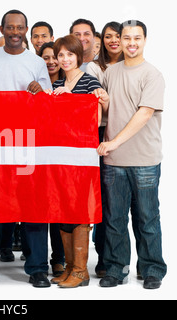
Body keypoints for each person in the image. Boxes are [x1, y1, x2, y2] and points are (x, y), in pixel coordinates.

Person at [0, 9, 53, 288]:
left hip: (28, 144)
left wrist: (40, 94)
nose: (15, 32)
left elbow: (48, 107)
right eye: (10, 27)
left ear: (25, 30)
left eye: (20, 28)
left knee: (33, 208)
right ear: (2, 29)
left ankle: (38, 268)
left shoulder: (37, 62)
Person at [97, 20, 167, 290]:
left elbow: (144, 113)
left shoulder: (152, 74)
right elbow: (106, 112)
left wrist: (113, 142)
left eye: (137, 38)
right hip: (114, 161)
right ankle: (116, 268)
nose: (131, 43)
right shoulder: (111, 72)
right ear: (120, 40)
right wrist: (102, 101)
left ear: (145, 40)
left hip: (144, 160)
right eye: (126, 38)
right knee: (114, 219)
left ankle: (151, 268)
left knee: (147, 217)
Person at [45, 35, 109, 288]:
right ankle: (70, 267)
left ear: (78, 56)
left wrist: (69, 97)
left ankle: (81, 271)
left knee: (79, 208)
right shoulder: (58, 82)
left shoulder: (89, 82)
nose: (65, 59)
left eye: (70, 54)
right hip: (61, 156)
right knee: (62, 208)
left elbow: (94, 121)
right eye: (61, 55)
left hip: (82, 157)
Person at [86, 21, 123, 278]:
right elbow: (98, 105)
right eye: (108, 36)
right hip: (100, 132)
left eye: (117, 36)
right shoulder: (94, 67)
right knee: (100, 197)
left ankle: (113, 257)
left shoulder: (132, 65)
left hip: (125, 133)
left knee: (115, 201)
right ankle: (103, 258)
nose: (113, 41)